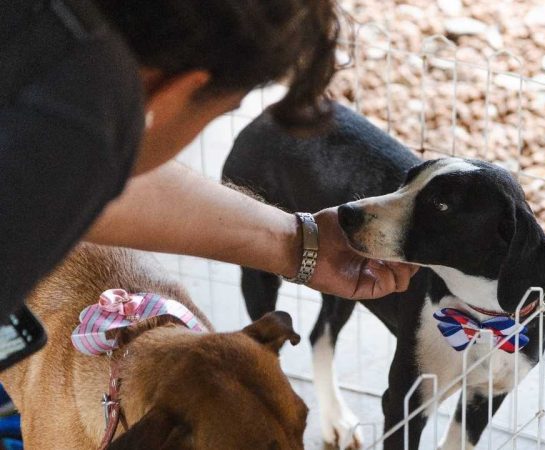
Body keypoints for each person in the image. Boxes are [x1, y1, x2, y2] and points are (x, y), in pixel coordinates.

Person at [0, 0, 417, 358]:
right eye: (222, 109)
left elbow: (107, 190)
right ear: (180, 91)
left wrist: (300, 242)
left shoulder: (50, 43)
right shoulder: (74, 127)